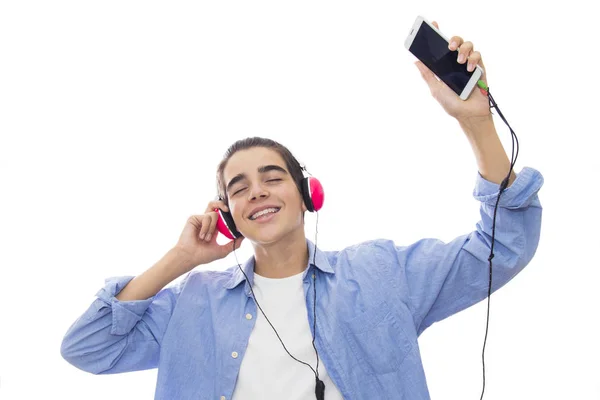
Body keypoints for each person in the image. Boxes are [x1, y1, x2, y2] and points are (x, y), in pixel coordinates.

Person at [60, 21, 544, 400]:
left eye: (273, 178)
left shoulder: (381, 273)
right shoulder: (192, 303)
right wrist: (179, 259)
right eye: (239, 188)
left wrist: (477, 125)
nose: (258, 193)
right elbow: (88, 347)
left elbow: (503, 248)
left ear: (308, 193)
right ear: (227, 214)